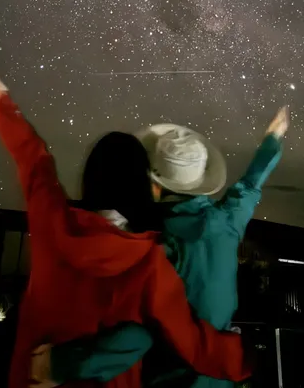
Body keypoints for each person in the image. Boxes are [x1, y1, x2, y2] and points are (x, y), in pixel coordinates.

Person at [0, 66, 254, 388]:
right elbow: (190, 340)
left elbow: (34, 161)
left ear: (91, 176)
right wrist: (243, 356)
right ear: (143, 185)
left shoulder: (51, 221)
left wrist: (2, 99)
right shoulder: (150, 260)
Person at [43, 107, 290, 388]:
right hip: (219, 378)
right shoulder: (228, 221)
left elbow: (137, 333)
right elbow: (250, 184)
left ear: (156, 186)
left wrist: (57, 365)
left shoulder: (156, 243)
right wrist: (273, 139)